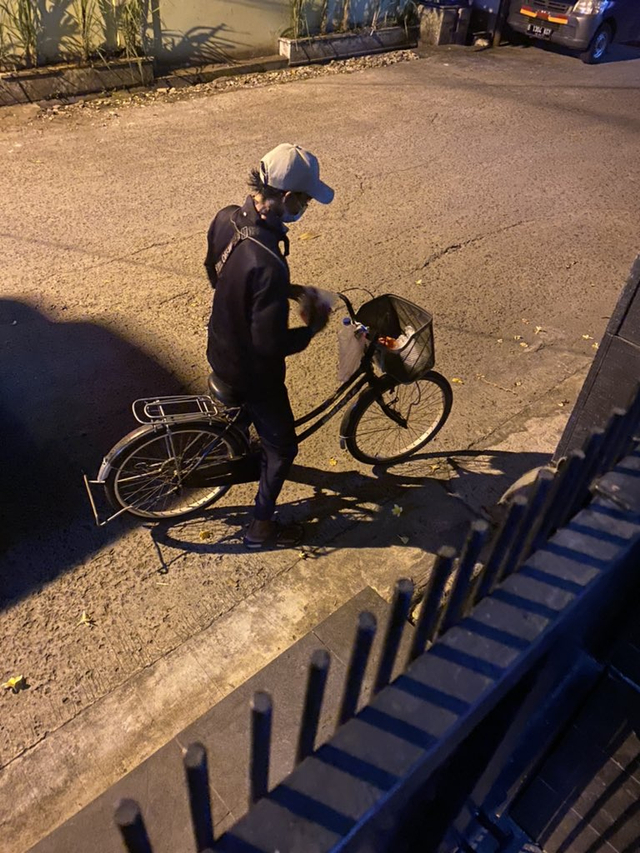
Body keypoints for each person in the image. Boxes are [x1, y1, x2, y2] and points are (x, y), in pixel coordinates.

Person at [204, 143, 334, 549]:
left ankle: (239, 436)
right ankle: (261, 527)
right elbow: (271, 345)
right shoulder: (268, 263)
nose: (303, 209)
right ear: (289, 198)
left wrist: (281, 292)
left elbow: (215, 270)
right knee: (283, 448)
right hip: (250, 372)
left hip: (219, 346)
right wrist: (312, 329)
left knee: (249, 420)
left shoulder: (227, 217)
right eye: (305, 201)